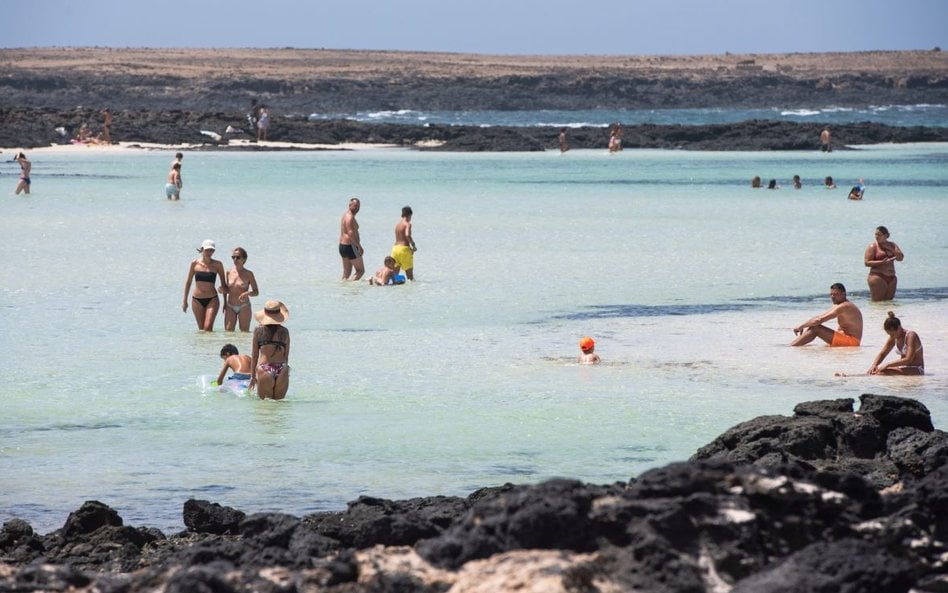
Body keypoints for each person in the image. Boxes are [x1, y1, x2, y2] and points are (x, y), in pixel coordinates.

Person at [791, 283, 863, 347]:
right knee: (813, 327)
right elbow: (818, 317)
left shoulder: (845, 306)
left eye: (835, 294)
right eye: (831, 294)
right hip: (844, 338)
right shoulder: (838, 305)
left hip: (852, 342)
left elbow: (819, 320)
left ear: (843, 294)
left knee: (816, 328)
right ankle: (793, 345)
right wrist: (804, 325)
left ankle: (790, 347)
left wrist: (801, 326)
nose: (832, 297)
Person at [182, 239, 228, 331]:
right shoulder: (194, 263)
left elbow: (224, 284)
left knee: (208, 327)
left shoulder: (217, 264)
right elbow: (188, 282)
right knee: (201, 329)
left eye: (211, 250)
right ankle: (203, 346)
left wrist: (225, 302)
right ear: (202, 249)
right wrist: (185, 301)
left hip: (212, 299)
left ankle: (210, 345)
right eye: (207, 250)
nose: (209, 252)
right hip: (197, 300)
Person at [250, 300, 291, 400]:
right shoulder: (285, 332)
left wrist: (252, 376)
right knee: (279, 404)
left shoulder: (258, 331)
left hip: (265, 368)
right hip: (282, 368)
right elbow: (286, 355)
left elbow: (254, 355)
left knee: (265, 407)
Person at [224, 247, 260, 331]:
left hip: (244, 306)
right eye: (233, 257)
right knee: (228, 331)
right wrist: (223, 296)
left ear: (244, 259)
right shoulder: (229, 272)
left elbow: (256, 292)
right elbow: (227, 290)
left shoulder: (249, 274)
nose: (235, 259)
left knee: (244, 333)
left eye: (238, 257)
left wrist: (247, 293)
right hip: (230, 305)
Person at [864, 225, 904, 302]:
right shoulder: (873, 246)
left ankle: (887, 315)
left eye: (879, 235)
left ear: (886, 236)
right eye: (876, 234)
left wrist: (891, 249)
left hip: (891, 278)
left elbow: (900, 258)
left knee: (889, 303)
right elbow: (867, 262)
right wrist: (882, 262)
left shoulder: (892, 245)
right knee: (877, 303)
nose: (877, 237)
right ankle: (875, 314)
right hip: (878, 277)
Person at [339, 197, 365, 280]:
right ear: (350, 205)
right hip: (350, 246)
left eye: (358, 206)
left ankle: (343, 290)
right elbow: (350, 233)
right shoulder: (349, 217)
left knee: (346, 272)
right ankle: (351, 288)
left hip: (342, 246)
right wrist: (359, 246)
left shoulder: (345, 215)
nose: (357, 208)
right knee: (360, 271)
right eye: (355, 206)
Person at [391, 205, 417, 280]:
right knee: (410, 278)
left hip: (395, 249)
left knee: (394, 277)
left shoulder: (397, 225)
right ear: (409, 215)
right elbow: (407, 235)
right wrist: (413, 245)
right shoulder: (407, 224)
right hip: (404, 250)